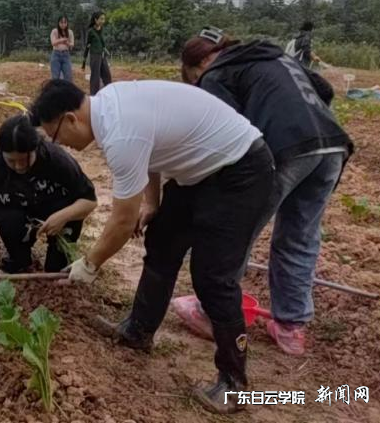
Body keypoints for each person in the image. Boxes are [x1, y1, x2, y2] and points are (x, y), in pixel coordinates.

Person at [30, 79, 275, 414]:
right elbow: (151, 151)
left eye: (56, 136)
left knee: (212, 277)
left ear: (71, 118)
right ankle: (139, 331)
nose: (61, 145)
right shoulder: (109, 105)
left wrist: (89, 264)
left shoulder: (119, 134)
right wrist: (153, 203)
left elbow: (121, 221)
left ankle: (234, 384)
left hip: (240, 171)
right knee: (161, 241)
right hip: (200, 172)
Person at [179, 29, 352, 355]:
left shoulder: (216, 75)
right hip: (332, 145)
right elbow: (325, 89)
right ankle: (290, 327)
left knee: (236, 230)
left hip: (286, 148)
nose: (198, 85)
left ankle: (211, 314)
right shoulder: (274, 56)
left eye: (193, 79)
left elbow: (223, 132)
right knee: (300, 236)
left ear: (200, 63)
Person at [0, 115, 96, 273]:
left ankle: (58, 262)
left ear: (35, 149)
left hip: (56, 209)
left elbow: (89, 200)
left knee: (56, 268)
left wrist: (63, 216)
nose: (18, 166)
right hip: (17, 209)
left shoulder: (57, 160)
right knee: (8, 220)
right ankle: (19, 259)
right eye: (11, 161)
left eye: (24, 160)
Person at [81, 10, 111, 95]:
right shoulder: (91, 31)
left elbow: (101, 41)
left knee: (107, 76)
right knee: (95, 77)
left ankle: (109, 94)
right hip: (95, 56)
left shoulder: (101, 29)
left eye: (104, 19)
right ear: (95, 20)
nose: (103, 21)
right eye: (101, 19)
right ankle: (94, 96)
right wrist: (84, 61)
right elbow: (87, 45)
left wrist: (105, 49)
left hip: (102, 55)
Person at [49, 15, 75, 81]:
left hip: (66, 55)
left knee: (68, 76)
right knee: (55, 77)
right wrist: (61, 40)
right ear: (58, 23)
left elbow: (72, 44)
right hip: (56, 54)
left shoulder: (70, 32)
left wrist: (67, 43)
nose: (63, 24)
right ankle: (55, 88)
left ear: (67, 23)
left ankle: (66, 88)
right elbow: (53, 43)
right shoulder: (54, 31)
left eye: (65, 22)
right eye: (61, 22)